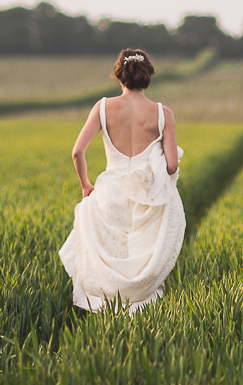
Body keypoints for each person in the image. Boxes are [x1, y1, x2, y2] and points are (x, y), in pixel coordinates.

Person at [59, 48, 185, 313]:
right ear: (148, 74)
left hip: (109, 194)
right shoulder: (163, 114)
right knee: (138, 256)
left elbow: (77, 151)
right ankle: (139, 313)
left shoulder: (103, 107)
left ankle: (105, 314)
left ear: (119, 75)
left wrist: (85, 185)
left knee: (111, 256)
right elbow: (172, 165)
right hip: (147, 195)